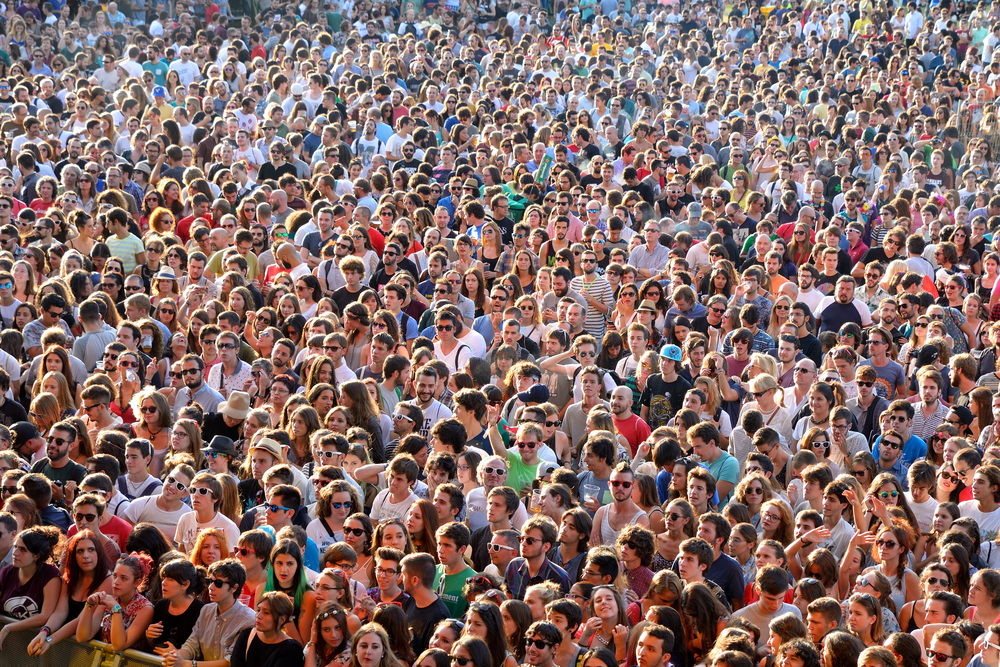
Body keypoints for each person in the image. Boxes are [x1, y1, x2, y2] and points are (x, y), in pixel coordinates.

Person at [228, 591, 305, 667]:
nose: (258, 616)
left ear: (282, 619)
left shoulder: (291, 649)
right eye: (258, 610)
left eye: (266, 613)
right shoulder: (246, 636)